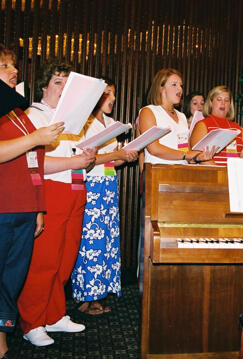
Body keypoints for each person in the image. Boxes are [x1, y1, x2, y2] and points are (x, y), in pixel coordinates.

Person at [17, 60, 97, 347]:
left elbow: (78, 158)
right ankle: (32, 322)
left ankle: (54, 314)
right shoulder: (35, 116)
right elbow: (34, 162)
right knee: (43, 261)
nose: (63, 89)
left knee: (64, 259)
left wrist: (87, 155)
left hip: (75, 188)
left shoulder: (73, 119)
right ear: (44, 86)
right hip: (50, 190)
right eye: (58, 82)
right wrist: (75, 160)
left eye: (68, 84)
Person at [0, 44, 64, 359]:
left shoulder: (18, 112)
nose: (14, 71)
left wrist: (39, 205)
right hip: (2, 206)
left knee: (12, 279)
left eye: (13, 66)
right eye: (5, 66)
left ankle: (2, 338)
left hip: (24, 207)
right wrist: (36, 138)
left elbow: (34, 163)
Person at [71, 79, 139, 315]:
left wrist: (126, 155)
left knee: (106, 241)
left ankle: (98, 293)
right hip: (91, 185)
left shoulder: (111, 123)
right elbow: (84, 160)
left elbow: (112, 161)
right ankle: (85, 297)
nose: (111, 99)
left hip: (109, 184)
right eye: (106, 94)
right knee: (89, 241)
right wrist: (115, 153)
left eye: (113, 94)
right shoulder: (84, 123)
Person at [139, 69, 215, 165]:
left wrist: (198, 157)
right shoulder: (149, 111)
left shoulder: (182, 116)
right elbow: (154, 148)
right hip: (157, 173)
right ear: (161, 88)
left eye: (181, 85)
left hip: (181, 173)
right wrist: (186, 155)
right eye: (174, 84)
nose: (180, 89)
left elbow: (185, 149)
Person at [190, 85, 243, 165]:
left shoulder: (238, 129)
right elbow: (199, 156)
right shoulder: (202, 125)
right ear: (211, 103)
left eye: (227, 100)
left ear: (230, 105)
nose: (223, 103)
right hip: (213, 175)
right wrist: (222, 175)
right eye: (219, 99)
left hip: (234, 175)